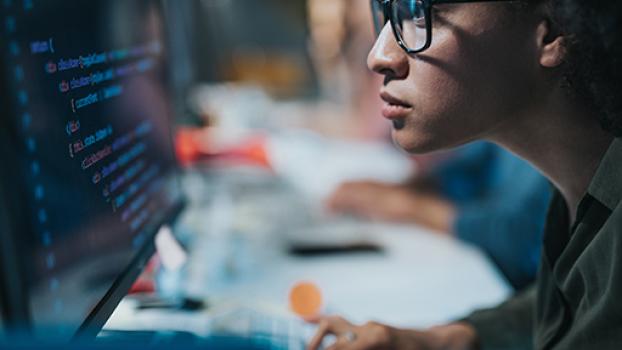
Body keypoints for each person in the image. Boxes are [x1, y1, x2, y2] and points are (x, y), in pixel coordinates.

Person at [308, 0, 622, 349]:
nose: (379, 56)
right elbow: (572, 302)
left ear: (552, 31)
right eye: (387, 13)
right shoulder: (577, 189)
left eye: (423, 15)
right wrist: (442, 340)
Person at [328, 141, 552, 290]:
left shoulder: (552, 136)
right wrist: (402, 189)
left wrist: (411, 206)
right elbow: (466, 169)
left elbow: (517, 236)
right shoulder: (510, 113)